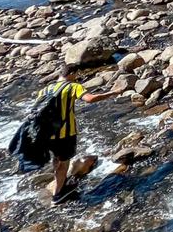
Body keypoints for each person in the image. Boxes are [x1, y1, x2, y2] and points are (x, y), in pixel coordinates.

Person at [39, 64, 119, 203]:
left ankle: (59, 184)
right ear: (72, 73)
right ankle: (58, 195)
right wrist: (112, 93)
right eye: (76, 75)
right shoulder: (73, 86)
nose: (77, 78)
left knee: (56, 160)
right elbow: (90, 99)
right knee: (64, 162)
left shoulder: (45, 90)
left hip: (47, 134)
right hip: (65, 133)